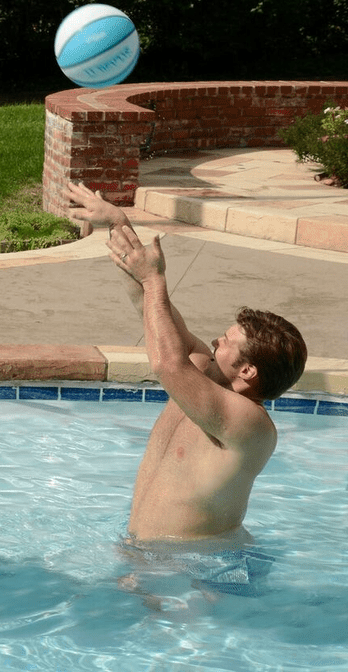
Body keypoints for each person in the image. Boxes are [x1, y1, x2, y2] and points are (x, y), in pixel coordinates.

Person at [65, 182, 307, 548]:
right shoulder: (201, 368)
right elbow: (148, 303)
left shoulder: (251, 426)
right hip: (148, 556)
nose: (214, 343)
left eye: (226, 342)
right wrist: (118, 222)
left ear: (247, 371)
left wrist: (155, 276)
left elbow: (166, 364)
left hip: (201, 569)